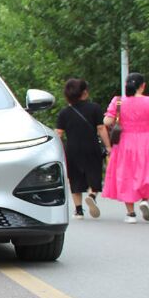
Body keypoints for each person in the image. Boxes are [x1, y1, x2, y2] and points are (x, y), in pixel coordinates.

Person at [103, 72, 149, 223]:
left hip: (125, 142)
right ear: (143, 86)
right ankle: (145, 201)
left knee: (127, 174)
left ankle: (130, 214)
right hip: (147, 141)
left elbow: (107, 121)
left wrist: (116, 117)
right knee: (146, 171)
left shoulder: (118, 101)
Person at [55, 78, 112, 219]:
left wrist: (56, 151)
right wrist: (108, 146)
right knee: (94, 174)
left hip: (73, 149)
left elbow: (59, 134)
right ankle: (92, 195)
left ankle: (79, 210)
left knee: (75, 178)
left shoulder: (64, 113)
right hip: (91, 146)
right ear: (84, 93)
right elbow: (101, 128)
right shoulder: (95, 108)